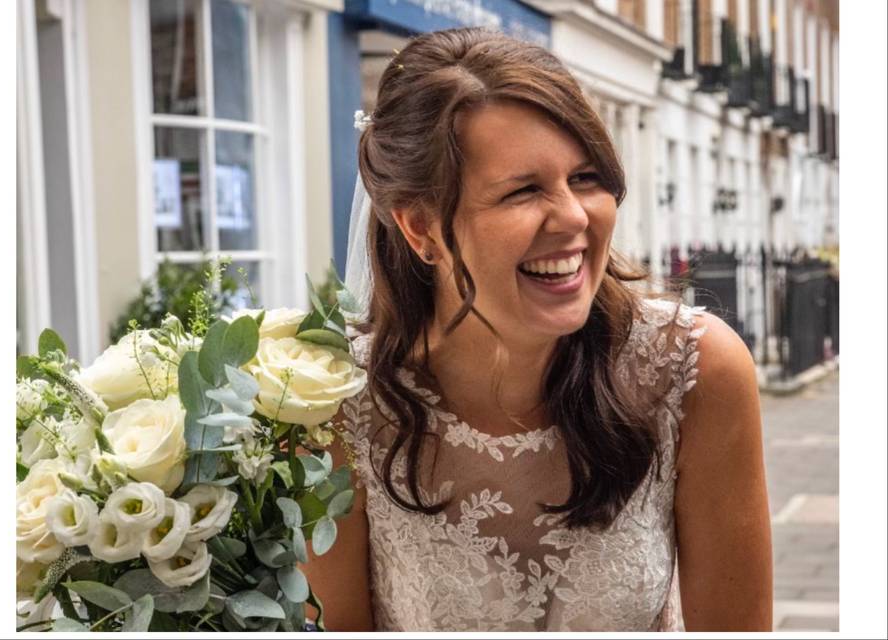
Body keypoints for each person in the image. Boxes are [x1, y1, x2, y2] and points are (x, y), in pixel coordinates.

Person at [304, 27, 772, 632]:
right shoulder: (336, 406)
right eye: (523, 191)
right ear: (421, 228)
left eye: (585, 178)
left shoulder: (693, 370)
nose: (573, 217)